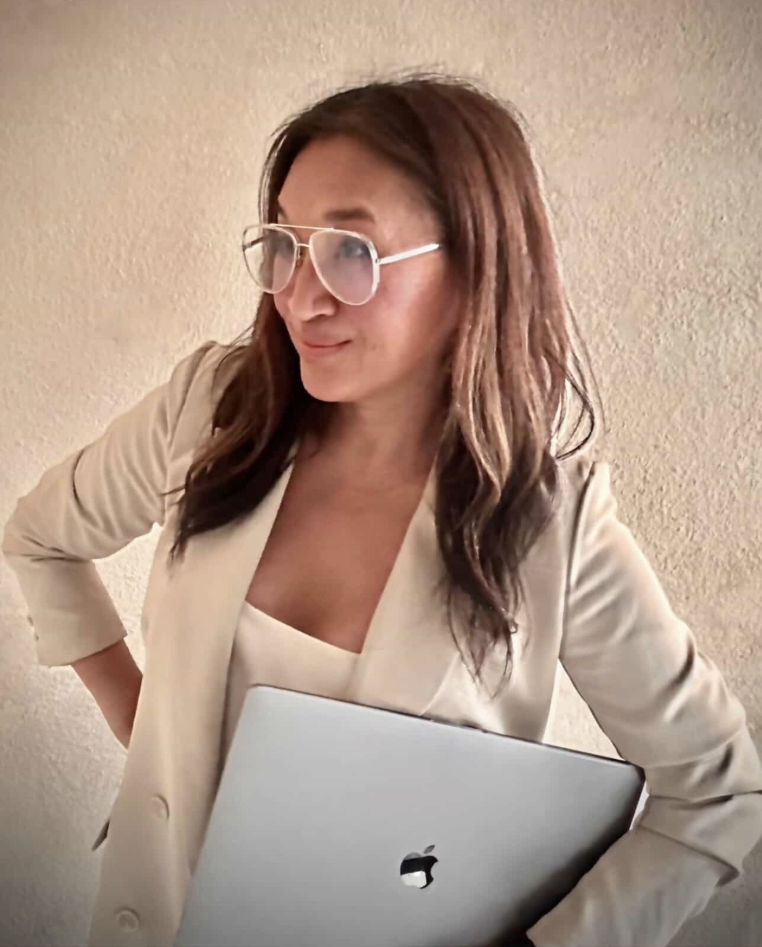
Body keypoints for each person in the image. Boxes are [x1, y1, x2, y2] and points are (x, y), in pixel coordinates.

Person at [3, 73, 761, 947]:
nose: (300, 296)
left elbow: (717, 793)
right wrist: (146, 732)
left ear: (474, 267)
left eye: (351, 252)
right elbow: (40, 539)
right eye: (286, 244)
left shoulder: (549, 523)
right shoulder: (211, 411)